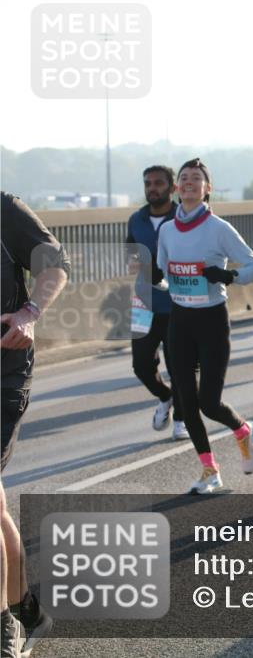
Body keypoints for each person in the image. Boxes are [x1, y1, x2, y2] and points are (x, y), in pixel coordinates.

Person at [156, 158, 253, 493]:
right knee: (186, 401)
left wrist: (228, 275)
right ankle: (210, 470)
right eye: (183, 178)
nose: (188, 182)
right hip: (180, 320)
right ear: (177, 188)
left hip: (212, 320)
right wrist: (154, 279)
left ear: (207, 189)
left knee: (209, 402)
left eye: (196, 178)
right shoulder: (166, 230)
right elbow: (164, 276)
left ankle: (243, 430)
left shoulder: (219, 229)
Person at [1, 192, 68, 657]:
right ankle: (26, 610)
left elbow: (54, 265)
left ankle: (4, 628)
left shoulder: (4, 207)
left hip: (4, 364)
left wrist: (29, 314)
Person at [125, 166, 189, 441]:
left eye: (159, 183)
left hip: (177, 303)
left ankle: (182, 420)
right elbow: (130, 250)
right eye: (148, 183)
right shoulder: (135, 219)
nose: (152, 188)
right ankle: (166, 397)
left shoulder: (183, 217)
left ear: (172, 188)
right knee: (141, 365)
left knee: (179, 366)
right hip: (143, 303)